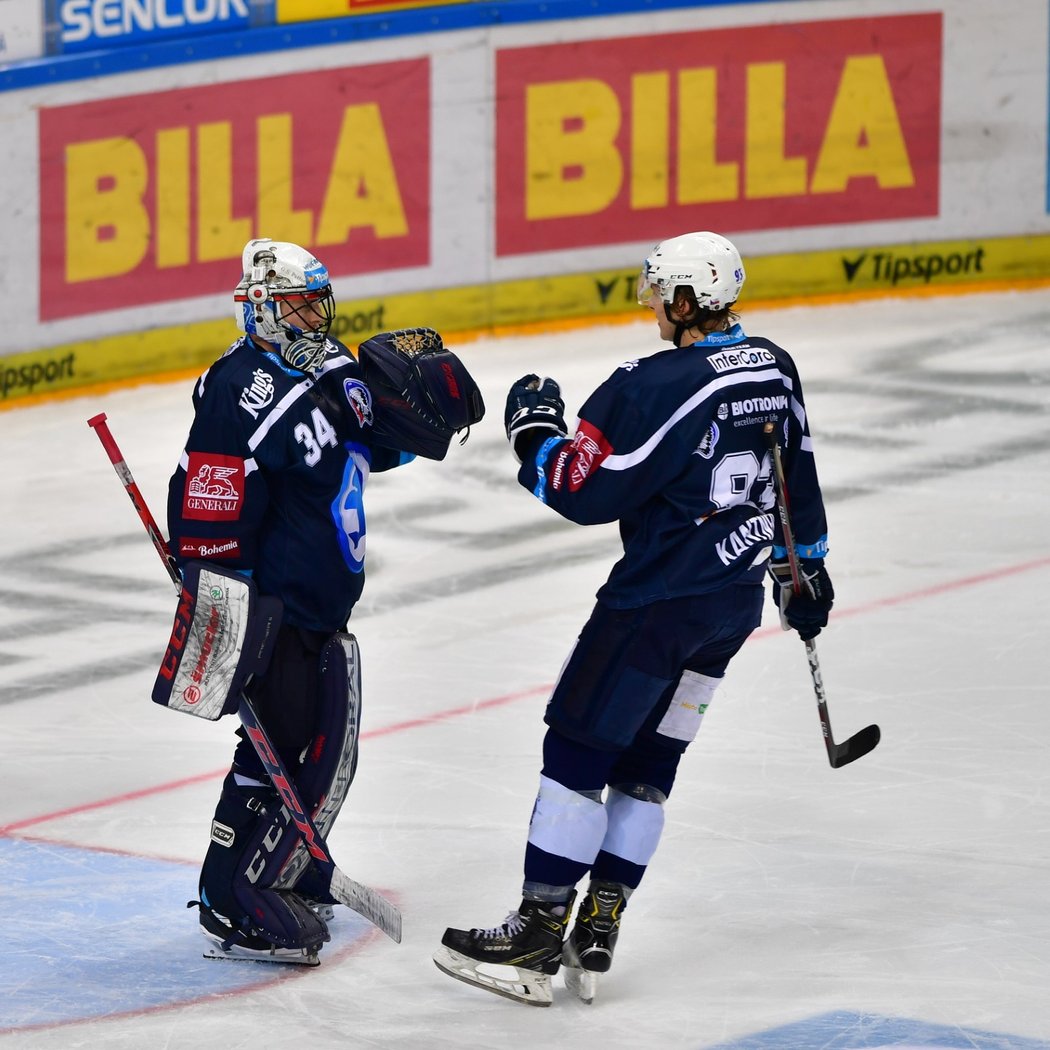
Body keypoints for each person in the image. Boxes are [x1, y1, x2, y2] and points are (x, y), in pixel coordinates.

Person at [433, 231, 834, 1005]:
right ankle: (600, 923)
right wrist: (804, 566)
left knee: (577, 752)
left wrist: (534, 430)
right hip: (727, 612)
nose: (650, 302)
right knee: (650, 769)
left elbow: (582, 491)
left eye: (659, 291)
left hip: (651, 612)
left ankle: (538, 933)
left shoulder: (650, 384)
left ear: (688, 301)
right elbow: (799, 474)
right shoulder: (774, 365)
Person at [163, 238, 482, 965]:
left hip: (322, 601)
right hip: (273, 607)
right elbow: (209, 503)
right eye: (301, 304)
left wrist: (417, 413)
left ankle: (286, 866)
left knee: (323, 745)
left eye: (318, 300)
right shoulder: (236, 388)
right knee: (276, 739)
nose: (317, 314)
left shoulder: (330, 363)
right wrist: (224, 613)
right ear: (265, 310)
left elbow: (374, 441)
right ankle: (231, 891)